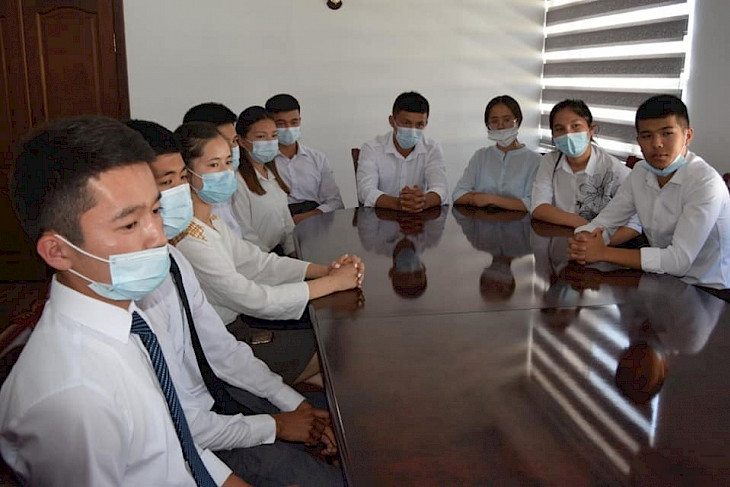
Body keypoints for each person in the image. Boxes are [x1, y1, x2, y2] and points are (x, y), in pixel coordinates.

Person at [1, 115, 250, 486]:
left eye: (155, 210)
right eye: (130, 224)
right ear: (58, 251)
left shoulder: (124, 314)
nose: (158, 236)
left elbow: (173, 445)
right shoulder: (76, 399)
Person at [126, 119, 346, 486]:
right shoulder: (165, 262)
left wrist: (297, 407)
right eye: (166, 183)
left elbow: (223, 350)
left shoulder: (173, 259)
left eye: (180, 179)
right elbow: (179, 425)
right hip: (201, 439)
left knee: (333, 415)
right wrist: (276, 425)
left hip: (219, 403)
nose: (177, 192)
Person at [172, 121, 364, 385]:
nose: (226, 172)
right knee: (336, 352)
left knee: (337, 358)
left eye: (228, 162)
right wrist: (333, 282)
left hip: (241, 329)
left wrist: (324, 270)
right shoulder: (190, 240)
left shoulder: (211, 220)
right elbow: (256, 299)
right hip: (224, 345)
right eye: (214, 165)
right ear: (186, 174)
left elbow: (257, 263)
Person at [568, 95, 730, 296]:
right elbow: (606, 221)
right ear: (638, 141)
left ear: (687, 136)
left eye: (667, 133)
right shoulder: (640, 171)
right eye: (647, 136)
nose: (657, 144)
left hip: (709, 291)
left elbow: (679, 261)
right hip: (663, 280)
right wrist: (584, 239)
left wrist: (603, 253)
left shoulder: (705, 183)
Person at [531, 99, 640, 245]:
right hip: (559, 241)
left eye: (575, 126)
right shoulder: (550, 161)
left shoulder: (615, 170)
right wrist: (584, 225)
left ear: (591, 129)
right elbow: (539, 207)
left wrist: (598, 243)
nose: (568, 134)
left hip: (601, 248)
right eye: (559, 129)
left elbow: (635, 224)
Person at [183, 102, 262, 247]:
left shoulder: (220, 197)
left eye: (234, 141)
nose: (231, 148)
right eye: (224, 142)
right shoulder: (188, 228)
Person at [356, 91, 449, 212]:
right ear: (392, 121)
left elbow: (441, 188)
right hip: (380, 219)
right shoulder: (371, 148)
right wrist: (398, 204)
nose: (413, 130)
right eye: (406, 123)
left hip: (420, 218)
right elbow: (365, 190)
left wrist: (422, 202)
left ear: (426, 123)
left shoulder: (432, 148)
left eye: (419, 124)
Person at [265, 93, 344, 223]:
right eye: (281, 123)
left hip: (315, 220)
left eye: (294, 122)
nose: (289, 128)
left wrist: (312, 215)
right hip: (277, 222)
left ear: (300, 121)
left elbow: (335, 202)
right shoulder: (263, 161)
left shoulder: (317, 158)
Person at [452, 95, 540, 211]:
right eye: (494, 121)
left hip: (518, 222)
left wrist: (488, 199)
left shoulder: (535, 160)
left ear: (517, 121)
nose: (500, 126)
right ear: (488, 125)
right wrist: (510, 203)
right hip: (481, 220)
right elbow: (458, 194)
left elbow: (532, 204)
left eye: (507, 120)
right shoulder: (480, 156)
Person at [232, 106, 296, 255]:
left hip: (279, 254)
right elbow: (246, 235)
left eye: (274, 136)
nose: (270, 142)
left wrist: (294, 252)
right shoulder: (238, 181)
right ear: (241, 141)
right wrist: (276, 262)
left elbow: (287, 223)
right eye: (261, 137)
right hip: (259, 258)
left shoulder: (272, 173)